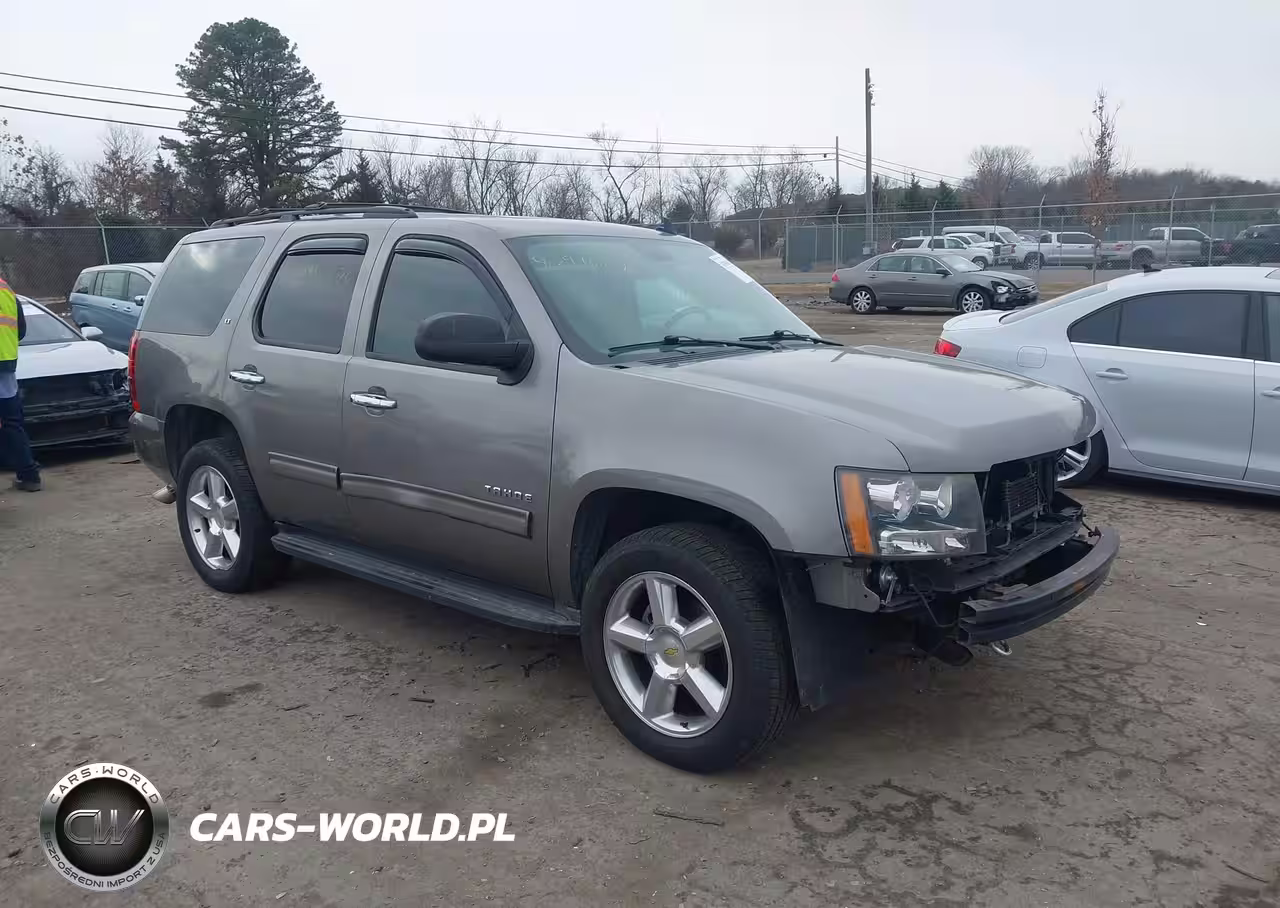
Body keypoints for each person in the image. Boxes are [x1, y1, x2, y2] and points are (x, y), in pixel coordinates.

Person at [0, 275, 41, 491]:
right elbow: (21, 330)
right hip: (5, 365)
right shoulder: (6, 289)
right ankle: (29, 476)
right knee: (12, 423)